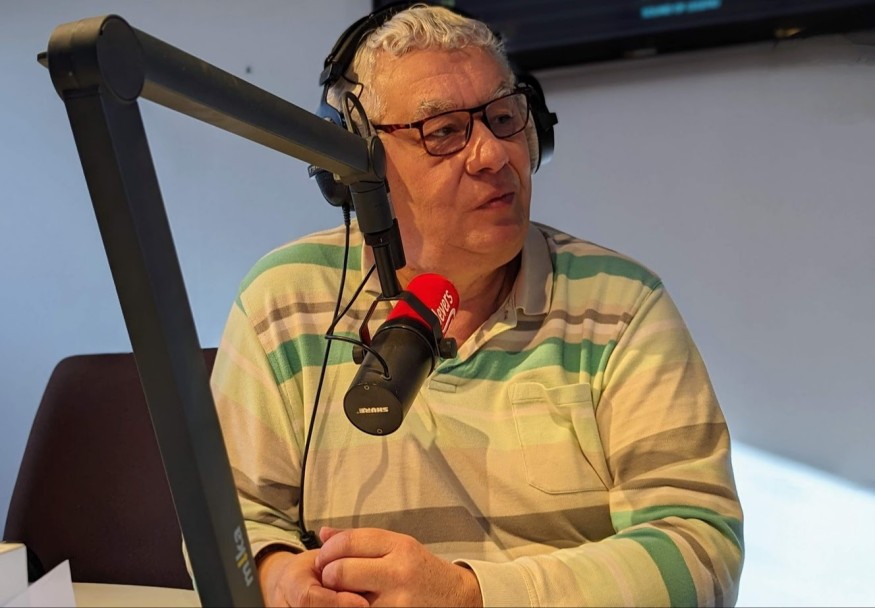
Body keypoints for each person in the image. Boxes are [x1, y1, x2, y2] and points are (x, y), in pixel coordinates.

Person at [210, 4, 744, 606]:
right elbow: (227, 520)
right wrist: (279, 577)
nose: (493, 154)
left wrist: (470, 596)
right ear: (356, 165)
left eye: (504, 117)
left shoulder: (622, 307)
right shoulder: (282, 301)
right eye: (443, 131)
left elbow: (701, 552)